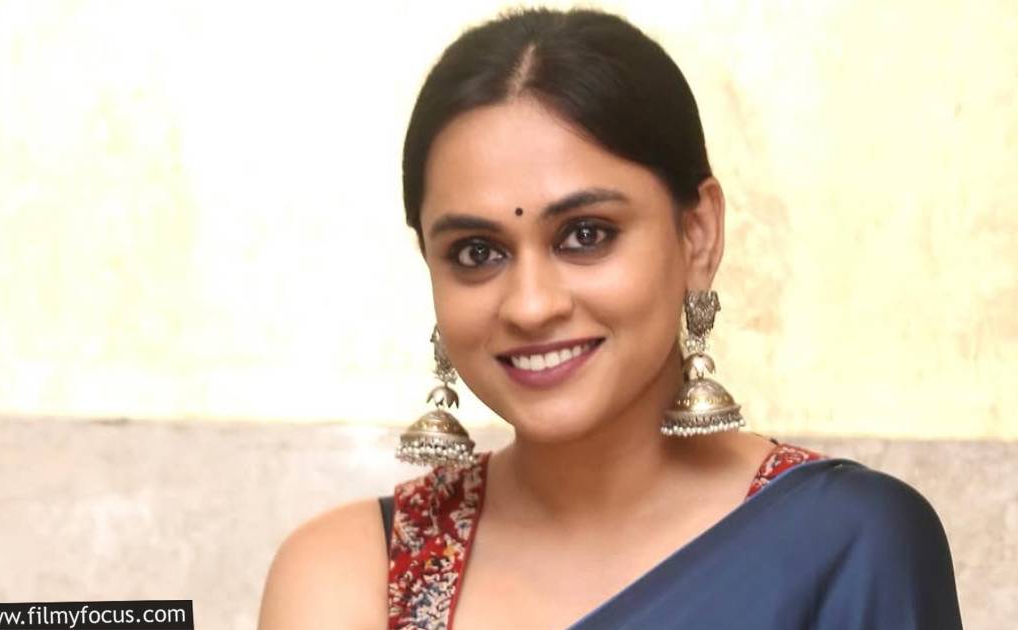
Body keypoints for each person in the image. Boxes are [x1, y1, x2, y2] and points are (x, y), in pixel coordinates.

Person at [258, 8, 963, 630]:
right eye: (477, 251)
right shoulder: (350, 578)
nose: (531, 305)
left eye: (586, 235)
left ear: (697, 236)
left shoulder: (844, 545)